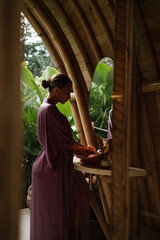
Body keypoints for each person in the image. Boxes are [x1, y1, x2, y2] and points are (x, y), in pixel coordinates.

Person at [30, 73, 97, 240]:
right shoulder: (49, 111)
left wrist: (87, 149)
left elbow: (66, 141)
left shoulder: (46, 108)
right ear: (57, 90)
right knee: (58, 217)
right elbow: (67, 144)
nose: (69, 96)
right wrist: (89, 151)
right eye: (67, 92)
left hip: (50, 165)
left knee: (76, 202)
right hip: (51, 169)